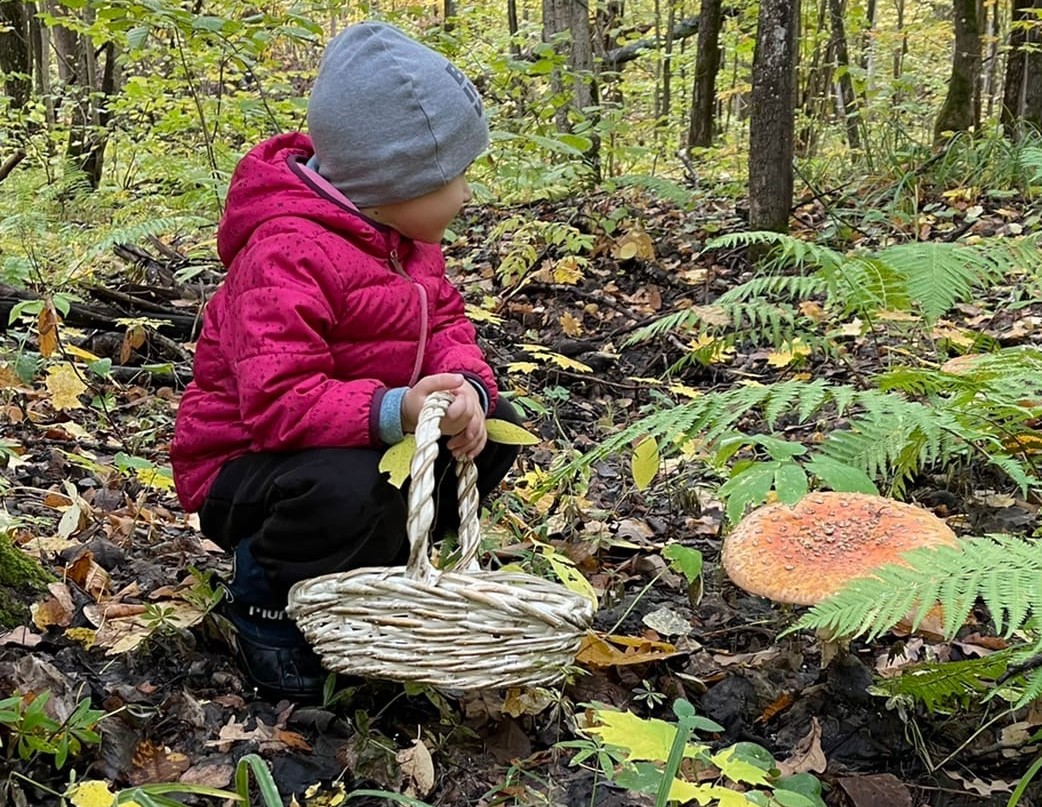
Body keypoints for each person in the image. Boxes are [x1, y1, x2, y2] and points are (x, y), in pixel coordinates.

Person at [170, 22, 519, 701]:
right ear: (387, 181)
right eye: (448, 180)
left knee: (496, 429)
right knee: (344, 487)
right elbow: (278, 402)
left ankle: (371, 574)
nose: (463, 195)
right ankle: (266, 599)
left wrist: (465, 387)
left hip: (356, 440)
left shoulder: (404, 241)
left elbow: (447, 322)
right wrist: (398, 407)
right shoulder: (285, 253)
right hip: (249, 467)